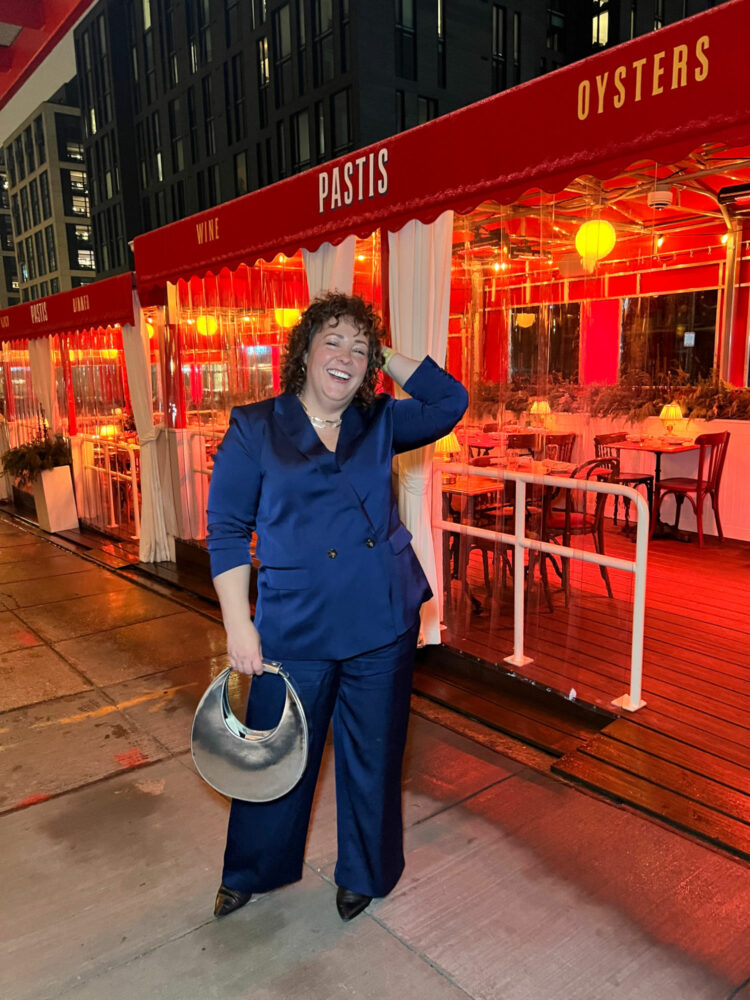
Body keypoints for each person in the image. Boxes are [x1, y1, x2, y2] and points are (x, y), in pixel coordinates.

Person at [206, 292, 467, 922]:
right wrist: (239, 624)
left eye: (359, 347)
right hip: (293, 626)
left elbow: (449, 402)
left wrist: (388, 354)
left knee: (374, 752)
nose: (345, 357)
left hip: (381, 618)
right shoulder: (255, 426)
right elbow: (226, 530)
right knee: (277, 750)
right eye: (334, 341)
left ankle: (365, 872)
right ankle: (251, 870)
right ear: (304, 352)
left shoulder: (379, 420)